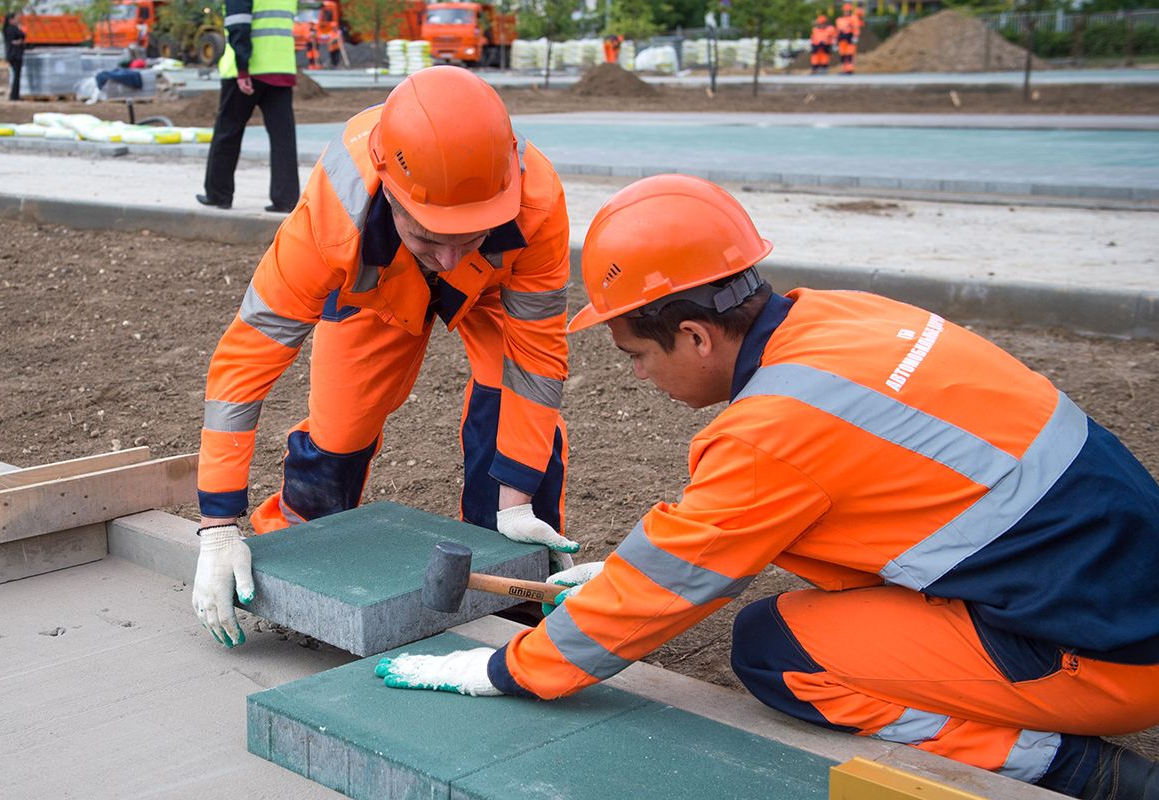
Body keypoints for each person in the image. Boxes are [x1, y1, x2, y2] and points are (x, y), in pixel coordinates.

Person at [372, 173, 1159, 800]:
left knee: (777, 652)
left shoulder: (774, 426)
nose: (641, 378)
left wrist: (508, 668)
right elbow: (809, 508)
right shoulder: (846, 319)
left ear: (694, 335)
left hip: (1101, 657)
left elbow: (687, 563)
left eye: (636, 357)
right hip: (1111, 588)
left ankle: (1067, 769)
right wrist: (628, 574)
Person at [192, 66, 576, 648]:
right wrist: (218, 524)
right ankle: (291, 562)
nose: (447, 260)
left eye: (465, 237)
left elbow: (536, 359)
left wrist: (515, 495)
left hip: (494, 289)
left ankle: (512, 594)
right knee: (338, 434)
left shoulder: (536, 201)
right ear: (389, 192)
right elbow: (248, 355)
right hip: (373, 293)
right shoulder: (333, 213)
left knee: (517, 429)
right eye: (429, 237)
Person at [195, 0, 298, 213]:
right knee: (283, 138)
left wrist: (243, 69)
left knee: (227, 133)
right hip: (280, 68)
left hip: (246, 72)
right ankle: (285, 199)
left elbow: (238, 25)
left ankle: (219, 194)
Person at [3, 12, 26, 101]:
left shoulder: (6, 29)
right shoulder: (13, 28)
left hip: (11, 55)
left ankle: (14, 95)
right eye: (16, 19)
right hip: (16, 55)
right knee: (17, 76)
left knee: (15, 76)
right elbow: (22, 35)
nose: (17, 20)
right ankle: (14, 96)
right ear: (11, 20)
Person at [835, 2, 860, 75]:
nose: (846, 12)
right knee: (842, 55)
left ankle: (849, 70)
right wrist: (836, 40)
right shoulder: (839, 20)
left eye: (848, 11)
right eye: (845, 11)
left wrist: (855, 36)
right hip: (841, 39)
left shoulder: (853, 18)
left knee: (849, 55)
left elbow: (856, 28)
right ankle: (844, 69)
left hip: (849, 38)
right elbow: (837, 31)